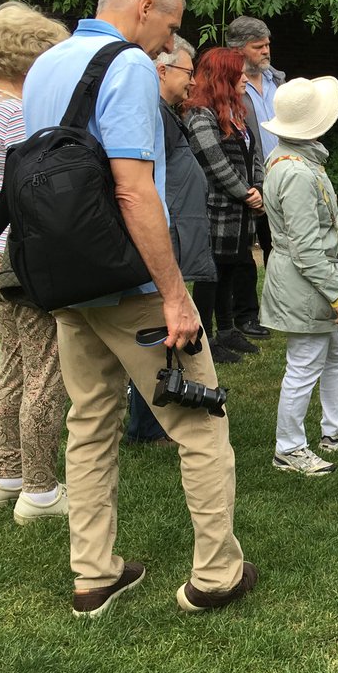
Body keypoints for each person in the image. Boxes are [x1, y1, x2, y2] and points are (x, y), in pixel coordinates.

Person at [22, 0, 255, 617]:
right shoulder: (125, 65)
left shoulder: (48, 63)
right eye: (170, 26)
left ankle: (93, 573)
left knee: (90, 422)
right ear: (144, 8)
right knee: (201, 423)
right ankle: (216, 574)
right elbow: (132, 187)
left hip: (69, 281)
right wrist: (176, 294)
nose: (167, 45)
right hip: (131, 285)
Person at [0, 1, 71, 524]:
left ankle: (1, 479)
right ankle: (40, 492)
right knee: (45, 374)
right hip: (23, 257)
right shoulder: (27, 110)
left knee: (10, 365)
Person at [123, 35, 218, 445]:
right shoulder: (154, 116)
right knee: (159, 334)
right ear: (161, 71)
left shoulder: (164, 112)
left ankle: (152, 423)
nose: (193, 81)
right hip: (166, 239)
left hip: (176, 233)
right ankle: (148, 427)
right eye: (187, 72)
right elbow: (146, 186)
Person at [260, 76, 338, 477]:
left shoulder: (294, 158)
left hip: (310, 278)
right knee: (303, 364)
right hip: (306, 284)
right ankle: (289, 448)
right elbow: (305, 248)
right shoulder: (297, 172)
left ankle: (333, 428)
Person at [183, 47, 266, 364]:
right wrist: (247, 193)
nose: (245, 77)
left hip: (240, 212)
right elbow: (215, 165)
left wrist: (257, 186)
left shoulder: (236, 113)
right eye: (239, 73)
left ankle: (227, 330)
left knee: (231, 268)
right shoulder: (200, 116)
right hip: (215, 212)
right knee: (210, 275)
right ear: (222, 78)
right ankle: (204, 339)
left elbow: (253, 154)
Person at [226, 16, 284, 330]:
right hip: (249, 182)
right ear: (238, 50)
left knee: (279, 248)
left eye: (268, 44)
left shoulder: (279, 81)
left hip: (283, 177)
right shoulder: (230, 86)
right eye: (258, 46)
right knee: (242, 254)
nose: (266, 51)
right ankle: (245, 316)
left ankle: (279, 309)